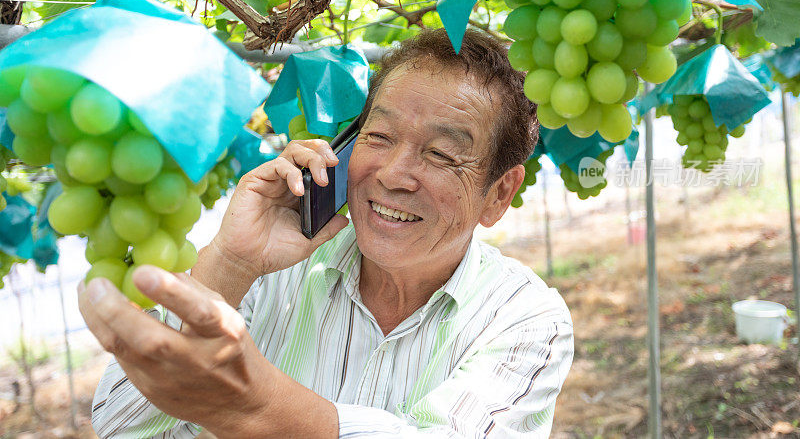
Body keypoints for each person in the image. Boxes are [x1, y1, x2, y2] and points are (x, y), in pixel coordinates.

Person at [80, 28, 574, 438]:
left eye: (442, 155)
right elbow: (121, 426)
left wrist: (257, 406)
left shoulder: (527, 318)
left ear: (499, 193)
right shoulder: (271, 272)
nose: (394, 175)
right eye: (378, 137)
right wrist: (232, 262)